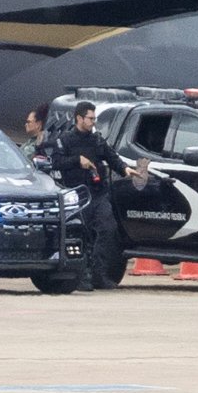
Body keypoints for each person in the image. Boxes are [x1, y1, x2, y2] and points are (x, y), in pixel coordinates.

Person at [50, 101, 143, 290]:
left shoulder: (97, 140)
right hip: (77, 196)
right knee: (82, 235)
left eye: (94, 118)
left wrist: (126, 169)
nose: (94, 122)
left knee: (108, 229)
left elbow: (112, 157)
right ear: (79, 118)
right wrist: (77, 160)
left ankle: (99, 274)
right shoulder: (65, 140)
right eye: (90, 118)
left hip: (98, 193)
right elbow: (56, 162)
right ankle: (82, 276)